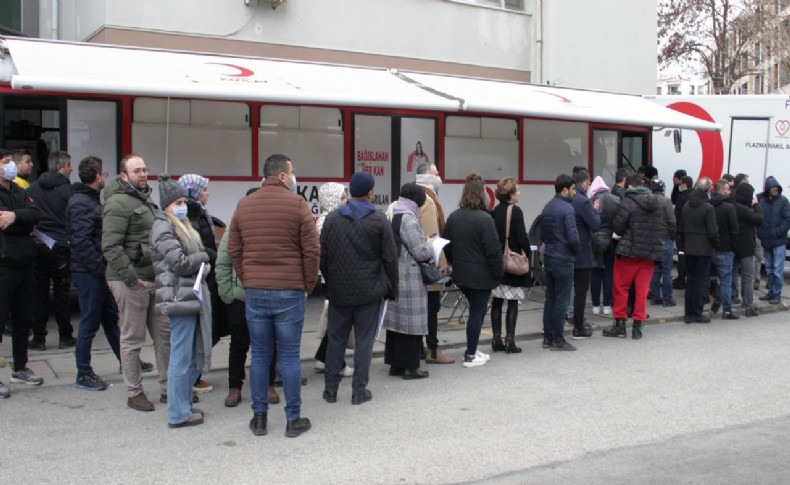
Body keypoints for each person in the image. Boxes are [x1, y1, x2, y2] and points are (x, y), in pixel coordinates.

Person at [228, 153, 318, 438]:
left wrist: (248, 278)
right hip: (290, 291)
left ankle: (259, 419)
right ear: (282, 176)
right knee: (290, 356)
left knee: (260, 355)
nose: (293, 177)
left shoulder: (243, 205)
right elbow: (312, 250)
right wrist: (308, 284)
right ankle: (293, 420)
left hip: (256, 293)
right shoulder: (298, 204)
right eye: (291, 172)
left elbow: (233, 249)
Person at [321, 172, 398, 403]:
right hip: (369, 292)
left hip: (339, 292)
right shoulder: (378, 220)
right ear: (370, 193)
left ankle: (331, 389)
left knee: (336, 339)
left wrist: (330, 280)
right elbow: (390, 259)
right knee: (364, 342)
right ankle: (358, 391)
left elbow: (323, 256)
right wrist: (392, 289)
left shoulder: (332, 219)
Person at [103, 154, 170, 412]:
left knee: (164, 337)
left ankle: (168, 388)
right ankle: (134, 392)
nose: (143, 174)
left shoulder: (144, 198)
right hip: (131, 281)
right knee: (132, 339)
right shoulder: (118, 203)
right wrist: (131, 279)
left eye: (144, 170)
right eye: (136, 171)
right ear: (123, 176)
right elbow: (110, 246)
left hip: (153, 279)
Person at [150, 175, 212, 428]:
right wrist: (204, 257)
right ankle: (177, 412)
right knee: (180, 355)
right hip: (179, 296)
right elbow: (180, 262)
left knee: (186, 355)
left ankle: (184, 404)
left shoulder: (179, 224)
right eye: (177, 201)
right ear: (166, 205)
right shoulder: (164, 227)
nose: (182, 205)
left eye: (183, 200)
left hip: (187, 295)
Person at [217, 187, 281, 408]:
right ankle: (235, 387)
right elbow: (223, 262)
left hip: (266, 294)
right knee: (239, 344)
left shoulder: (270, 228)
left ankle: (268, 384)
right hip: (240, 298)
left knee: (268, 343)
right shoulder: (235, 225)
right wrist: (229, 294)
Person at [66, 156, 121, 391]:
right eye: (104, 174)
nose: (104, 178)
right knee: (89, 322)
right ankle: (83, 372)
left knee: (110, 318)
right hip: (89, 273)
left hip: (96, 271)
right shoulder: (81, 202)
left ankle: (126, 360)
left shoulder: (89, 200)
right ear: (98, 176)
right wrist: (101, 268)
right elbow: (81, 242)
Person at [444, 172, 504, 365]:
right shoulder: (485, 220)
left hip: (461, 274)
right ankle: (470, 354)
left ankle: (474, 350)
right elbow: (494, 251)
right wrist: (498, 274)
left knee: (474, 312)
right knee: (477, 314)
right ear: (482, 195)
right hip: (481, 276)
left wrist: (455, 265)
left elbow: (447, 246)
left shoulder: (454, 217)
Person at [0, 150, 43, 398]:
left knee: (23, 320)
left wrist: (15, 216)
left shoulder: (19, 190)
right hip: (4, 264)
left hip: (25, 263)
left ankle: (20, 367)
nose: (11, 166)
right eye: (5, 162)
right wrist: (21, 223)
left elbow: (35, 216)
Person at [603, 174, 666, 340]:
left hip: (629, 252)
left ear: (629, 186)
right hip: (649, 253)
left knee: (621, 288)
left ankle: (620, 325)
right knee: (642, 290)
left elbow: (618, 226)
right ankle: (637, 326)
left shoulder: (628, 202)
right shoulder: (657, 203)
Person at [27, 151, 76, 351]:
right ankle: (65, 336)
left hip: (38, 245)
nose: (71, 169)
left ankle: (38, 338)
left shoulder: (32, 188)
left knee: (40, 292)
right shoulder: (69, 191)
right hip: (61, 246)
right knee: (61, 292)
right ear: (60, 167)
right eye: (69, 165)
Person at [384, 183, 433, 379]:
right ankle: (411, 367)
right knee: (412, 323)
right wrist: (430, 244)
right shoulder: (409, 219)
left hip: (397, 273)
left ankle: (395, 364)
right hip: (410, 275)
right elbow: (420, 252)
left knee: (397, 324)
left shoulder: (396, 212)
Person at [178, 173, 221, 394]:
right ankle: (193, 376)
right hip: (199, 277)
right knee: (199, 328)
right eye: (203, 189)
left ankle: (195, 373)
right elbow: (199, 247)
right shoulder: (192, 216)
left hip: (206, 274)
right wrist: (217, 254)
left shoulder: (200, 213)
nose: (207, 192)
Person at [313, 182, 355, 376]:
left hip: (332, 277)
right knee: (339, 322)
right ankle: (336, 364)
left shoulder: (326, 219)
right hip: (335, 278)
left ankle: (323, 357)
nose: (346, 201)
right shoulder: (329, 221)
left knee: (335, 321)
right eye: (343, 197)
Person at [415, 162, 454, 364]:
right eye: (435, 173)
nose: (439, 176)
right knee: (431, 307)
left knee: (422, 307)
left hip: (413, 263)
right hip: (428, 264)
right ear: (426, 176)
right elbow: (432, 236)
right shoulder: (429, 201)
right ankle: (432, 348)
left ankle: (421, 346)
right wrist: (442, 264)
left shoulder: (416, 196)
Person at [490, 177, 531, 354]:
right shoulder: (516, 211)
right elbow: (522, 236)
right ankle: (510, 341)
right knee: (513, 301)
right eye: (517, 190)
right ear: (511, 194)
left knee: (497, 301)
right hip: (512, 260)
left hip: (498, 262)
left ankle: (495, 339)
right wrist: (528, 252)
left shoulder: (494, 211)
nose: (519, 193)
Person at [538, 174, 579, 351]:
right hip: (564, 258)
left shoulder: (547, 207)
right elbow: (573, 237)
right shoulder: (567, 209)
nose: (575, 193)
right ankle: (558, 339)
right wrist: (575, 252)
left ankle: (547, 337)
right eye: (573, 189)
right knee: (562, 300)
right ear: (565, 190)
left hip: (549, 256)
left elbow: (542, 234)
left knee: (550, 299)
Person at [680, 177, 718, 324]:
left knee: (690, 281)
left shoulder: (686, 205)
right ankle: (697, 312)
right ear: (708, 190)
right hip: (704, 250)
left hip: (689, 248)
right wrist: (716, 244)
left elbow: (681, 228)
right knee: (701, 282)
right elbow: (713, 231)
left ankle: (688, 313)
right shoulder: (708, 208)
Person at [570, 170, 600, 339]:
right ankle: (579, 326)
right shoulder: (583, 201)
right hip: (582, 253)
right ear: (584, 183)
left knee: (565, 291)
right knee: (581, 291)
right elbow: (595, 225)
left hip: (569, 252)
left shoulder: (568, 199)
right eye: (588, 183)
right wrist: (596, 210)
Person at [588, 176, 619, 316]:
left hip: (595, 240)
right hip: (611, 240)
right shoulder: (616, 199)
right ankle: (607, 305)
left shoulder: (592, 200)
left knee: (595, 273)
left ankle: (595, 305)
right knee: (609, 273)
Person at [709, 179, 740, 319]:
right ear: (722, 190)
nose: (729, 192)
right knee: (726, 280)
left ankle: (715, 302)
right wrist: (734, 247)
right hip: (725, 248)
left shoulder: (708, 205)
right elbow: (734, 230)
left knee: (706, 279)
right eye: (728, 189)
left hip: (709, 248)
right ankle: (727, 310)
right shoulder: (728, 208)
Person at [757, 176, 790, 305]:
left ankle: (777, 293)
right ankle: (771, 292)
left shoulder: (783, 201)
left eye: (776, 187)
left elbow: (788, 220)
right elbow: (759, 220)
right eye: (773, 187)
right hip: (767, 240)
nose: (775, 189)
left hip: (778, 241)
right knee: (769, 269)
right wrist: (761, 233)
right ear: (768, 189)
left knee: (777, 269)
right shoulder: (763, 203)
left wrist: (778, 232)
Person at [733, 182, 763, 317]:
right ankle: (748, 304)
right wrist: (756, 205)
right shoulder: (744, 209)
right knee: (747, 276)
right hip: (746, 246)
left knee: (732, 274)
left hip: (733, 246)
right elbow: (758, 219)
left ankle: (733, 296)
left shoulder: (732, 205)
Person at [648, 179, 677, 307]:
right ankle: (667, 298)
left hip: (652, 239)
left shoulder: (647, 201)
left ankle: (655, 296)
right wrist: (672, 236)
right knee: (667, 270)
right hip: (665, 238)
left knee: (654, 270)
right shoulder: (666, 201)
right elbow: (672, 221)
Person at [673, 175, 694, 290]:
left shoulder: (681, 197)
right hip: (691, 231)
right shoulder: (694, 195)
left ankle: (681, 278)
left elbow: (678, 214)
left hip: (681, 232)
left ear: (684, 184)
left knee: (681, 255)